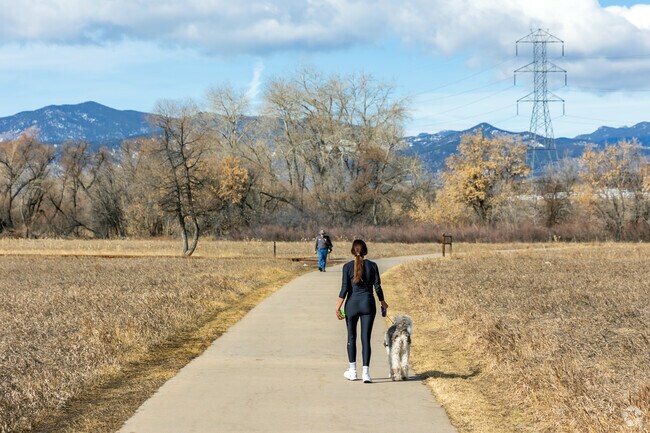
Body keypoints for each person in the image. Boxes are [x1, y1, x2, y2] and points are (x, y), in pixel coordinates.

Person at [335, 239, 389, 383]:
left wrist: (337, 307)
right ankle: (366, 373)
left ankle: (352, 371)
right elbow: (377, 287)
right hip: (368, 305)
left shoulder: (347, 267)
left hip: (351, 305)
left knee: (351, 337)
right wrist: (383, 302)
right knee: (366, 339)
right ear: (365, 251)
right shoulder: (373, 266)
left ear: (352, 251)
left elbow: (344, 289)